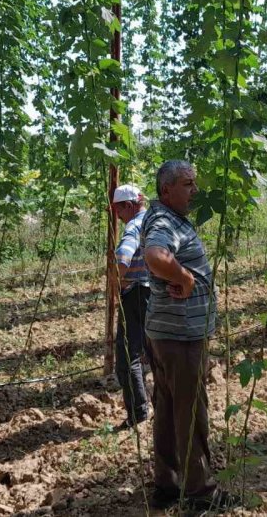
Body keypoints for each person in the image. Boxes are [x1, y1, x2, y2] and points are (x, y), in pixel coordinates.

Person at [140, 160, 235, 510]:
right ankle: (200, 494)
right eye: (187, 184)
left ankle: (168, 484)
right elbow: (155, 255)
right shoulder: (165, 220)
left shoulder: (168, 217)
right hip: (180, 337)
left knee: (167, 409)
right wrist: (185, 277)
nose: (195, 191)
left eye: (195, 183)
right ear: (166, 190)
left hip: (166, 333)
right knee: (191, 411)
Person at [111, 183, 151, 428]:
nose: (118, 217)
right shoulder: (154, 222)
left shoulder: (134, 227)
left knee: (128, 357)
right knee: (155, 352)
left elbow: (124, 257)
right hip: (154, 293)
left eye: (118, 211)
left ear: (128, 205)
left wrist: (118, 280)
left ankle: (138, 413)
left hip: (135, 295)